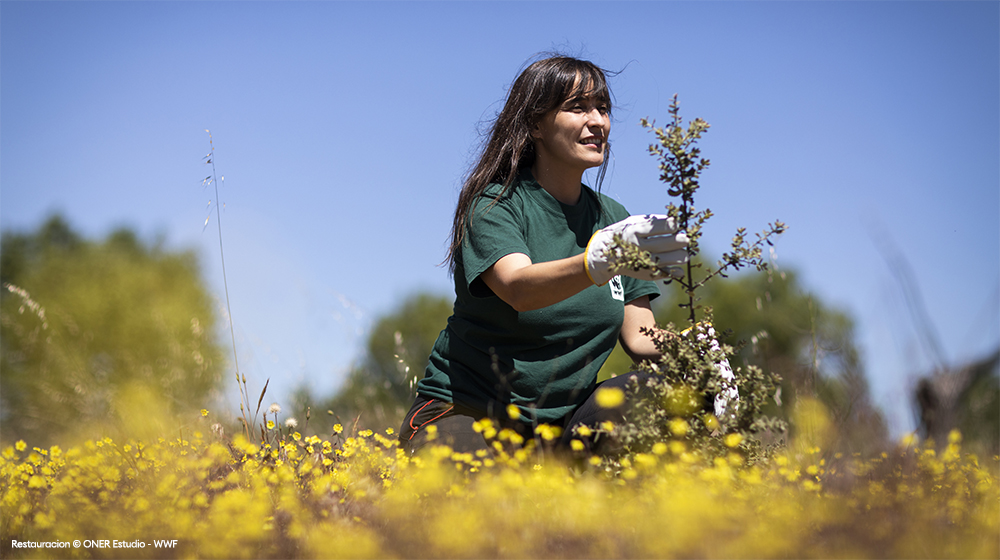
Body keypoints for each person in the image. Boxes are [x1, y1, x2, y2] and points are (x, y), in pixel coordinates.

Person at [399, 55, 688, 456]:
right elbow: (520, 288)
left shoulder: (613, 219)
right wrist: (596, 262)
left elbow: (639, 337)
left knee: (657, 392)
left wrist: (694, 353)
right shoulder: (494, 204)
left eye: (602, 108)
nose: (597, 121)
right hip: (464, 411)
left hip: (561, 428)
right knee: (478, 507)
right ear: (535, 124)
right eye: (577, 107)